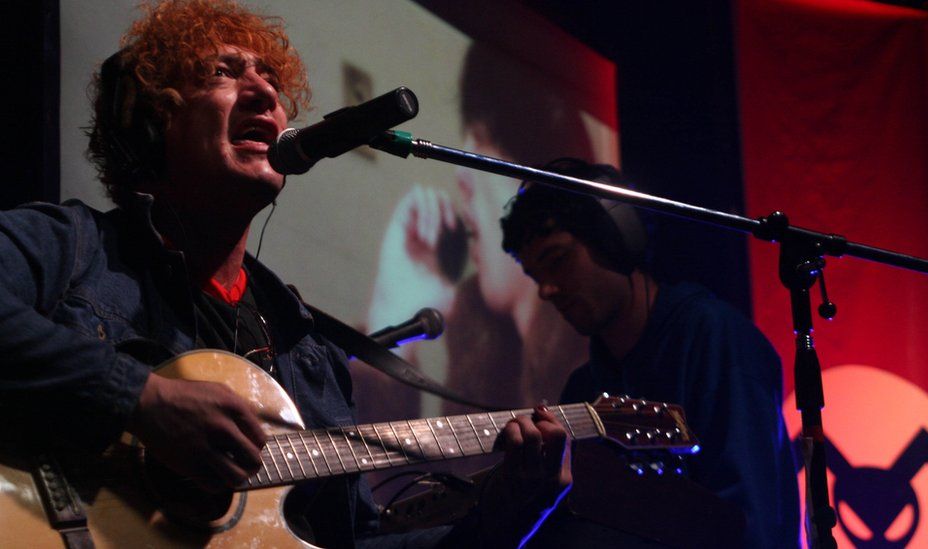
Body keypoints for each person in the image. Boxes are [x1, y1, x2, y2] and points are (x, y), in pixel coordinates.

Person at [0, 1, 570, 547]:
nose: (265, 91)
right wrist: (141, 397)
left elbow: (349, 543)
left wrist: (512, 512)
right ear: (154, 122)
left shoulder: (306, 352)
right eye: (223, 73)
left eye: (271, 78)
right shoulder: (68, 247)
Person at [499, 158, 801, 547]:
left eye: (558, 261)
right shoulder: (583, 389)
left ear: (616, 240)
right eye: (535, 276)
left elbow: (746, 521)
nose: (546, 290)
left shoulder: (712, 338)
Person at [365, 42, 593, 420]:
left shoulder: (596, 356)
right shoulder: (486, 351)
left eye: (484, 139)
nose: (462, 175)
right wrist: (392, 315)